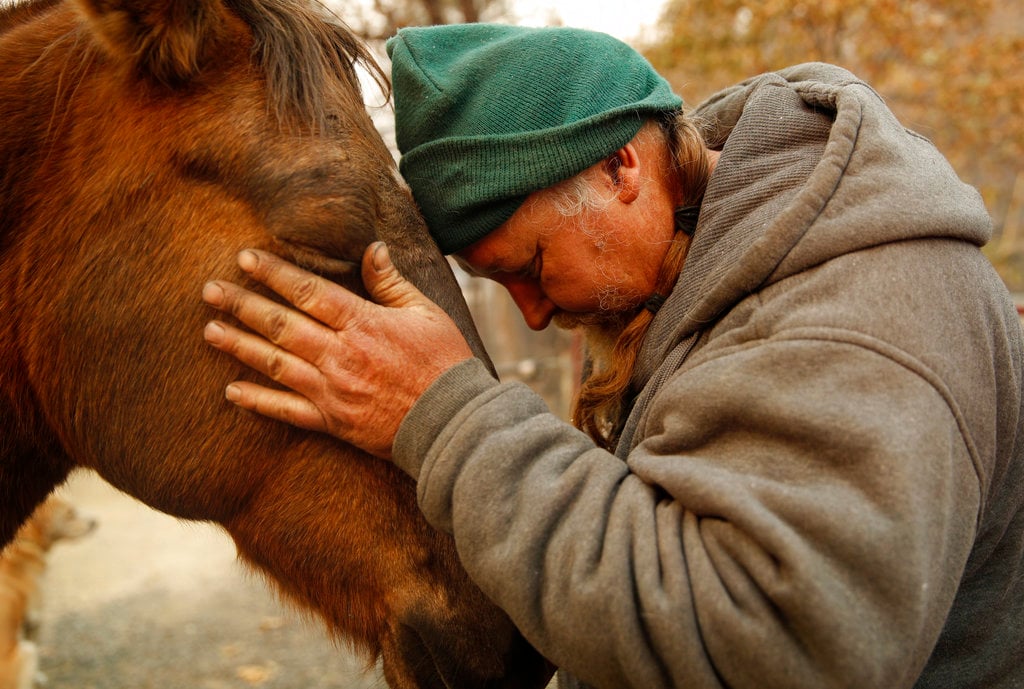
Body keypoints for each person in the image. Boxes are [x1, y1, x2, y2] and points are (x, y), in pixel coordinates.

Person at [200, 23, 1024, 689]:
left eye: (529, 266)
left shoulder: (860, 308)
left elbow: (779, 649)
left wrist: (445, 416)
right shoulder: (724, 271)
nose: (530, 312)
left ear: (619, 165)